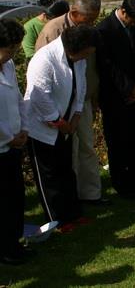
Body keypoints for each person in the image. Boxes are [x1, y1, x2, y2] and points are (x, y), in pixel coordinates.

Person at [34, 0, 106, 205]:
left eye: (95, 19)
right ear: (74, 12)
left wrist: (92, 96)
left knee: (87, 147)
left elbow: (88, 69)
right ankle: (71, 196)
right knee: (68, 153)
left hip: (82, 100)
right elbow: (40, 71)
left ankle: (91, 194)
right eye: (89, 19)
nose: (92, 23)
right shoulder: (53, 30)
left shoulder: (88, 32)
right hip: (58, 105)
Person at [25, 25, 98, 233]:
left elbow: (80, 85)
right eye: (86, 52)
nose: (87, 57)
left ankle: (73, 214)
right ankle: (56, 220)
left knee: (67, 171)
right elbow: (40, 95)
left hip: (67, 121)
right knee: (49, 176)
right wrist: (58, 121)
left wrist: (76, 114)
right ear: (76, 48)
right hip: (42, 127)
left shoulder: (79, 59)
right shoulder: (44, 59)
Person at [96, 0, 135, 199]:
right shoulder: (104, 30)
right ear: (123, 11)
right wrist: (129, 88)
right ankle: (123, 185)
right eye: (133, 20)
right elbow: (108, 67)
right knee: (119, 142)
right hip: (116, 97)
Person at [0, 19, 30, 265]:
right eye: (8, 49)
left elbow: (18, 98)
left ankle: (14, 242)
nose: (11, 55)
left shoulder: (7, 66)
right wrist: (8, 138)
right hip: (2, 144)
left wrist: (23, 128)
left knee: (14, 197)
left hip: (14, 143)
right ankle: (4, 249)